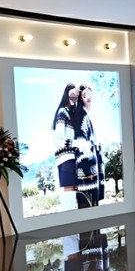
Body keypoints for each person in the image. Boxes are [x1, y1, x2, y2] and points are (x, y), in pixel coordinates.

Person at [73, 84, 104, 207]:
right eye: (84, 95)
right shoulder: (81, 115)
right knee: (87, 200)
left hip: (94, 158)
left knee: (95, 200)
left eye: (89, 94)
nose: (88, 97)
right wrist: (88, 160)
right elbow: (80, 141)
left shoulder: (92, 115)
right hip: (86, 162)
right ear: (81, 98)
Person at [52, 82, 79, 211]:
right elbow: (58, 139)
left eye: (76, 95)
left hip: (70, 157)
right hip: (65, 158)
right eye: (72, 94)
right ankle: (68, 219)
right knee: (69, 190)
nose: (74, 97)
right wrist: (76, 144)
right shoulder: (62, 112)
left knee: (72, 190)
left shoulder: (71, 113)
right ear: (66, 95)